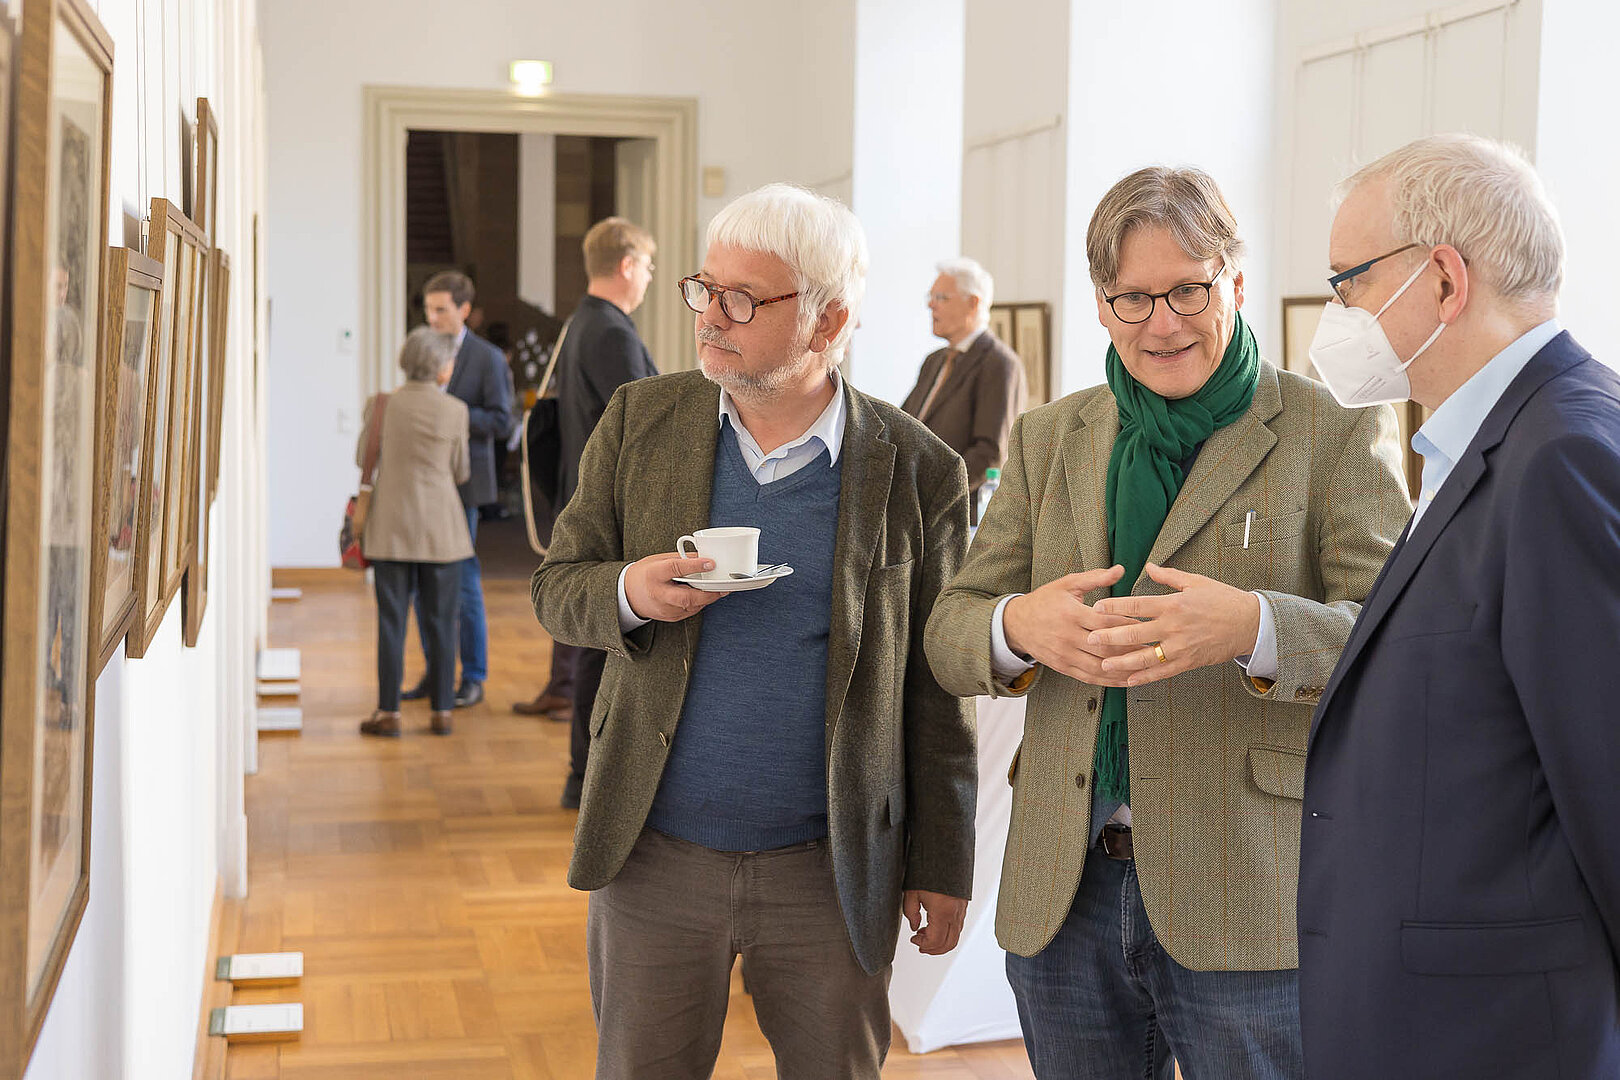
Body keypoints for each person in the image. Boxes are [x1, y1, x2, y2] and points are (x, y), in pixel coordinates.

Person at [924, 165, 1412, 1079]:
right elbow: (951, 631)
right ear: (1101, 305)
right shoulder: (1050, 437)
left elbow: (1399, 639)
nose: (1162, 323)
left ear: (1235, 280)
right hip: (1065, 891)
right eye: (1133, 299)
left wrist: (1255, 628)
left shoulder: (1333, 427)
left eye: (1188, 290)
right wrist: (1019, 627)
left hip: (1250, 893)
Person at [531, 183, 977, 1079]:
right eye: (706, 288)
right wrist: (629, 591)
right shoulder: (641, 421)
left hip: (832, 869)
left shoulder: (918, 469)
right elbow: (556, 588)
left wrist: (943, 859)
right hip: (652, 854)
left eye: (743, 299)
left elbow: (936, 687)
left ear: (828, 320)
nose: (710, 316)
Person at [1295, 133, 1620, 1080]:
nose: (1338, 312)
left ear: (1443, 279)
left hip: (1498, 1033)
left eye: (1349, 281)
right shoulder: (1485, 444)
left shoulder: (1563, 457)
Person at [519, 217, 658, 806]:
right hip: (611, 509)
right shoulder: (610, 332)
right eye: (647, 266)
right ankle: (587, 777)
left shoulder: (582, 322)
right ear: (626, 265)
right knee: (604, 649)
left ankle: (585, 775)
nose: (649, 277)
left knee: (596, 646)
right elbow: (649, 425)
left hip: (587, 499)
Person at [399, 271, 512, 710]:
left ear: (464, 310)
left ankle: (474, 677)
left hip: (463, 486)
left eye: (441, 309)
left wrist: (449, 412)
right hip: (420, 484)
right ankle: (437, 673)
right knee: (421, 583)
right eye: (428, 309)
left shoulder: (487, 358)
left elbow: (501, 421)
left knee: (463, 582)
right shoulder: (422, 348)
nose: (432, 318)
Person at [357, 327, 471, 737]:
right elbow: (461, 471)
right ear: (441, 368)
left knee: (391, 623)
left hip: (389, 528)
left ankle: (389, 713)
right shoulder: (455, 409)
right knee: (442, 622)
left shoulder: (381, 405)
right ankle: (442, 712)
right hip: (442, 532)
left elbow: (362, 457)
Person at [900, 257, 1026, 521]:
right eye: (931, 297)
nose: (931, 305)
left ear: (973, 303)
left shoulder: (999, 364)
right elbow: (904, 425)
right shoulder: (934, 361)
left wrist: (934, 493)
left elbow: (990, 453)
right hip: (911, 510)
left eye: (941, 298)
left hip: (956, 516)